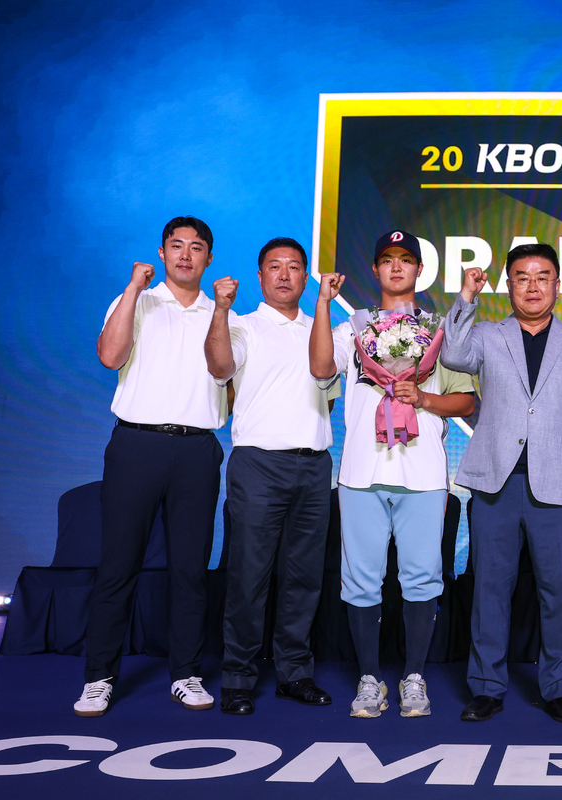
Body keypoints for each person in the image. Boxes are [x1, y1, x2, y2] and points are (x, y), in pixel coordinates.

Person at [309, 230, 475, 718]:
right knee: (361, 581)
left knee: (421, 579)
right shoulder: (353, 328)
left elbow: (467, 401)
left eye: (406, 259)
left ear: (420, 269)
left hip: (423, 475)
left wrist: (423, 398)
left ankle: (413, 677)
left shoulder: (440, 330)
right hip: (362, 473)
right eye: (387, 259)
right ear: (376, 269)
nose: (397, 267)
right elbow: (320, 368)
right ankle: (369, 679)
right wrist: (323, 303)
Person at [441, 243, 562, 723]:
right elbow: (452, 354)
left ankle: (559, 688)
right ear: (509, 284)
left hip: (557, 483)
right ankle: (487, 687)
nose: (532, 286)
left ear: (557, 284)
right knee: (490, 588)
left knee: (560, 591)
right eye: (522, 277)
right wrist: (467, 297)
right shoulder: (487, 335)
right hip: (495, 481)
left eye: (542, 277)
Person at [75, 216, 226, 717]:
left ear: (208, 258)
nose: (185, 254)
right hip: (136, 444)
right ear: (161, 253)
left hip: (196, 449)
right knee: (118, 567)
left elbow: (226, 375)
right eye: (176, 246)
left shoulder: (221, 313)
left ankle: (186, 674)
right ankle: (98, 678)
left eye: (196, 247)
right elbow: (109, 356)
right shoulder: (135, 301)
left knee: (190, 571)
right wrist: (132, 290)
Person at [204, 237, 337, 715]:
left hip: (314, 463)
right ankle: (238, 678)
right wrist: (220, 310)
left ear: (306, 277)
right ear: (260, 276)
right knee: (249, 575)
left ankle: (294, 673)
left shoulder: (323, 328)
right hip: (259, 464)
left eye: (294, 267)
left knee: (304, 577)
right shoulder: (243, 324)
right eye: (274, 267)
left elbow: (329, 392)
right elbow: (220, 366)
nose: (284, 275)